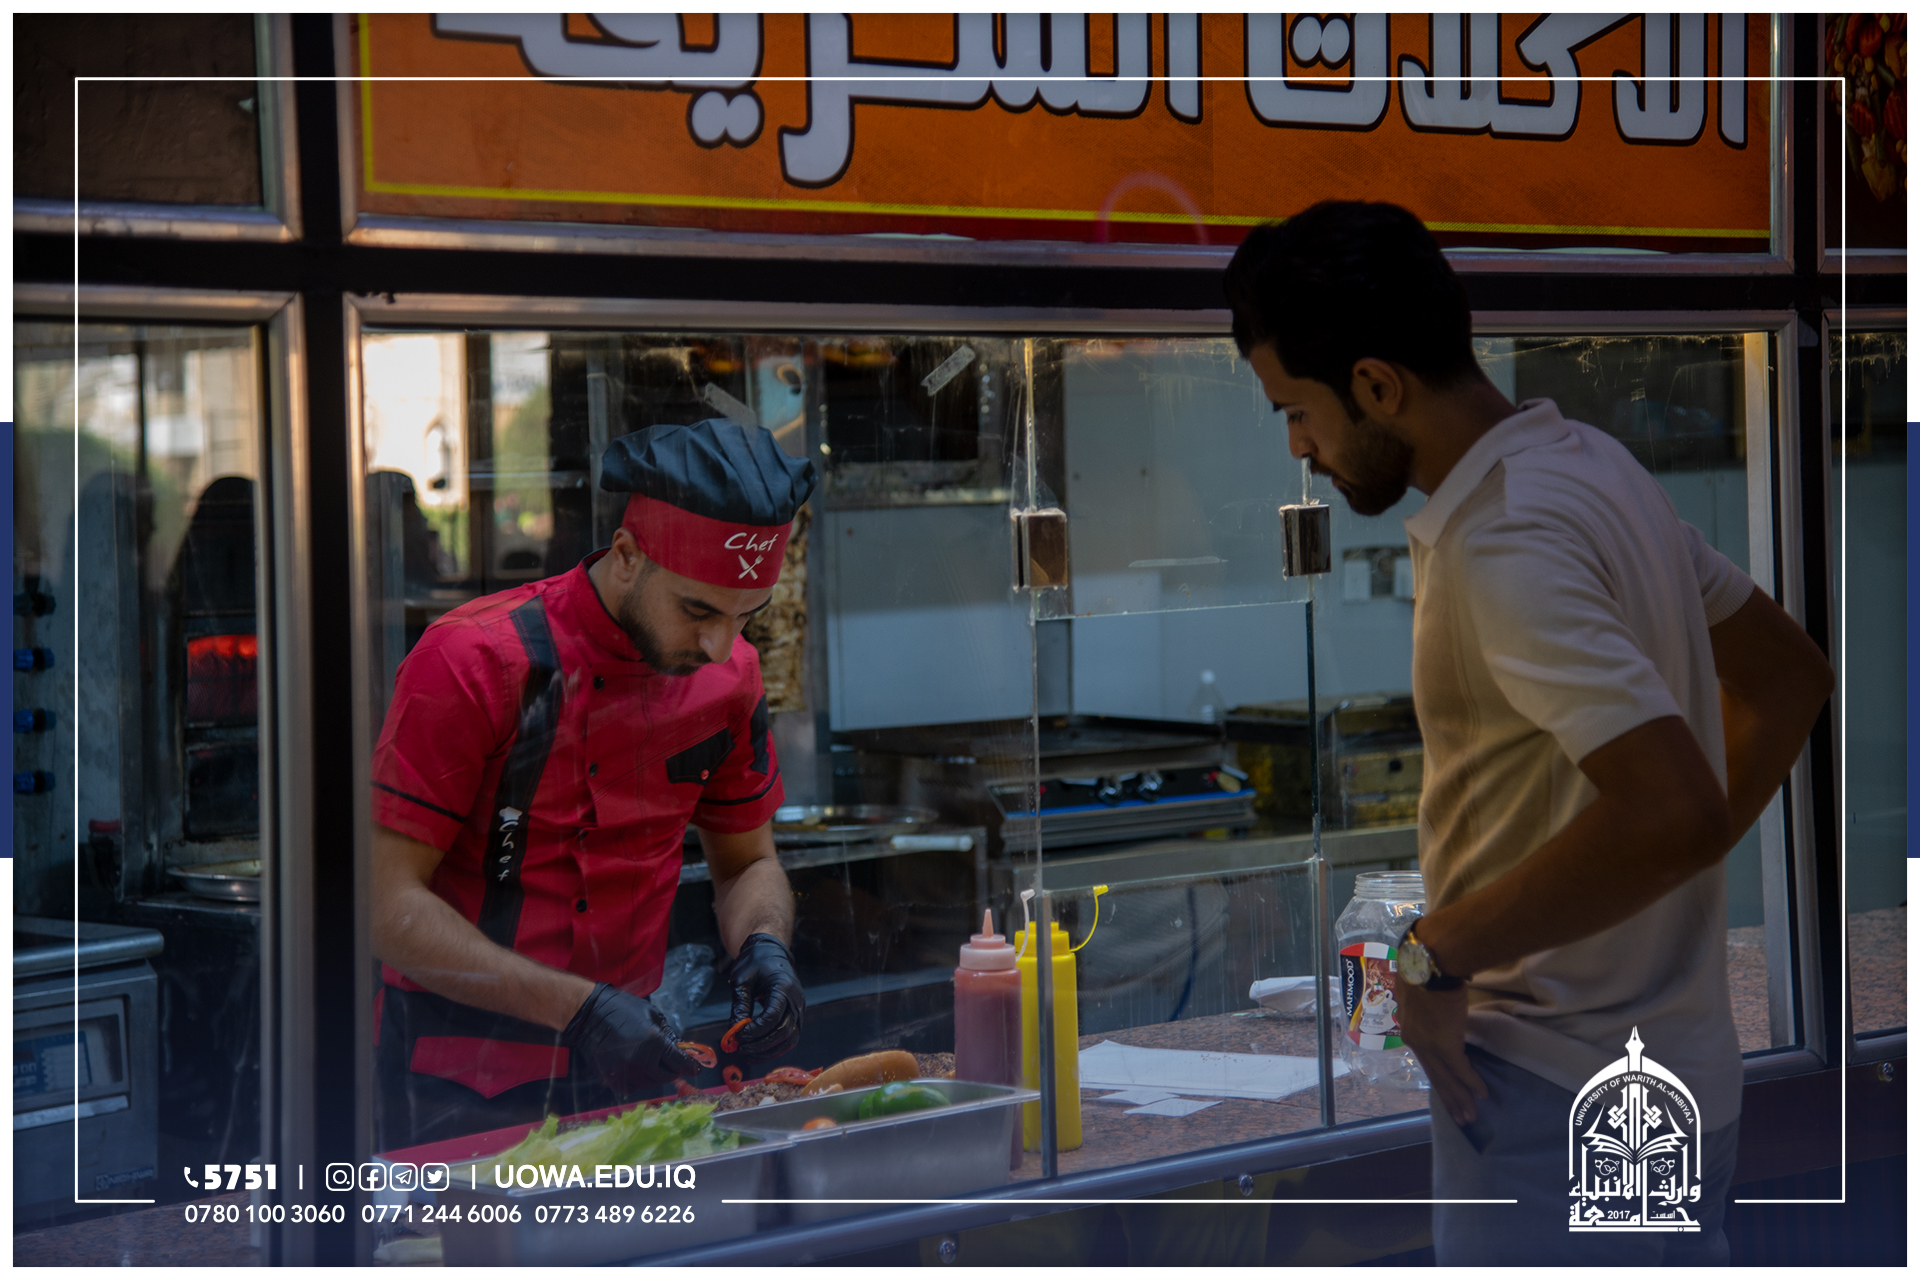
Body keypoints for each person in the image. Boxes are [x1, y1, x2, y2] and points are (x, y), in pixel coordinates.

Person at [1224, 202, 1833, 1265]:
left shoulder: (1505, 537)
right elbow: (1788, 680)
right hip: (1683, 1078)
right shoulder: (1594, 467)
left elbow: (1675, 807)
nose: (1299, 447)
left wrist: (1431, 956)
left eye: (1297, 410)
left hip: (1551, 1097)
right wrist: (1666, 859)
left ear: (1376, 385)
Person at [370, 417, 815, 1149]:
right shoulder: (474, 660)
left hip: (632, 1067)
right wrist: (578, 1009)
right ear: (628, 554)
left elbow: (747, 863)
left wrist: (765, 944)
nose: (719, 645)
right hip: (456, 1076)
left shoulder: (732, 676)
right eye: (698, 610)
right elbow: (385, 906)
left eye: (746, 615)